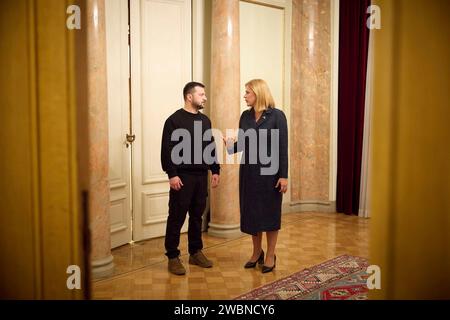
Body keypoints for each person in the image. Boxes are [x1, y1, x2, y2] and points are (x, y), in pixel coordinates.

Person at [224, 79, 288, 273]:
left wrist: (283, 176)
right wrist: (229, 145)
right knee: (252, 214)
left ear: (258, 94)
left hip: (270, 175)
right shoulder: (245, 116)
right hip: (249, 174)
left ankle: (270, 255)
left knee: (269, 215)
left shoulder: (277, 116)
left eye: (247, 92)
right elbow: (242, 144)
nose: (244, 96)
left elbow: (282, 147)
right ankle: (256, 253)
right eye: (245, 92)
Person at [161, 82, 220, 275]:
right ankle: (172, 256)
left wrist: (215, 169)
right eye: (201, 94)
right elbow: (167, 150)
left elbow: (209, 146)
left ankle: (195, 252)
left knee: (197, 216)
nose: (204, 98)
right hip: (182, 177)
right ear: (189, 96)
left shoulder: (205, 121)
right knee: (176, 217)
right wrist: (172, 174)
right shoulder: (173, 121)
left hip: (201, 176)